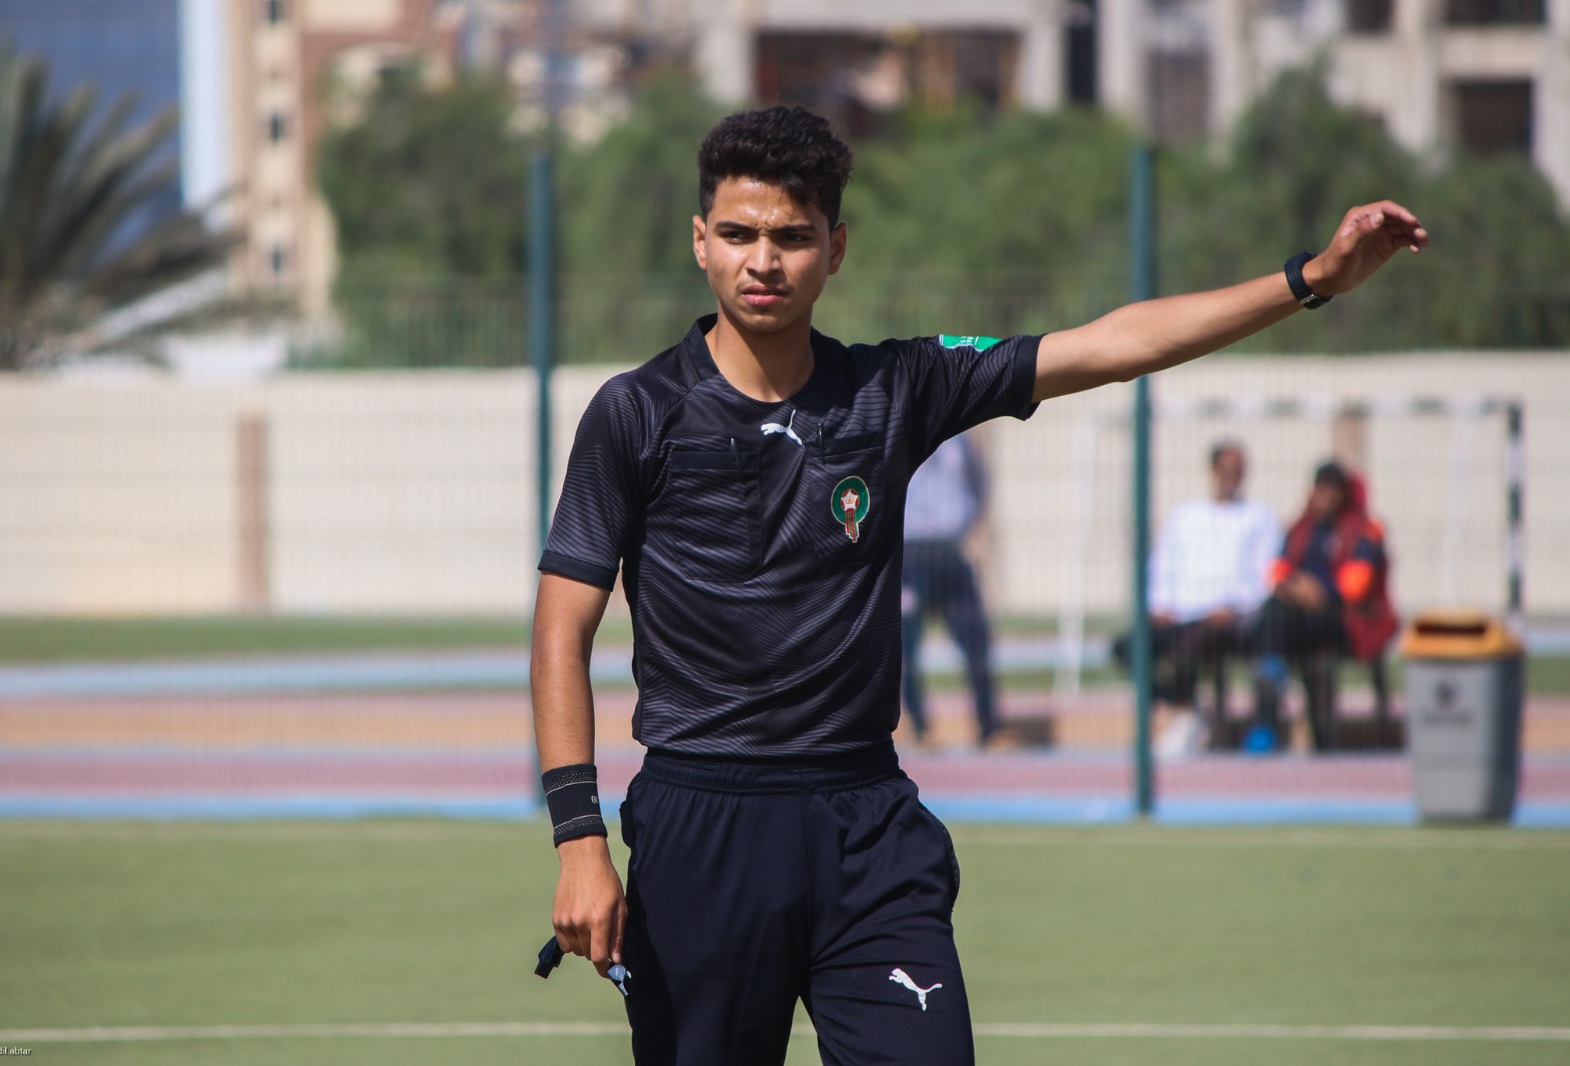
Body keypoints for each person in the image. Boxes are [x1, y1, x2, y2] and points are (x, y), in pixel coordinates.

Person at [532, 104, 1426, 1065]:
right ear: (701, 242)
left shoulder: (894, 388)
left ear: (836, 249)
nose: (764, 261)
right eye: (740, 234)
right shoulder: (635, 414)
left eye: (792, 236)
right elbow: (559, 634)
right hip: (702, 823)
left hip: (865, 824)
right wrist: (580, 843)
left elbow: (1112, 344)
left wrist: (1311, 280)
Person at [1111, 440, 1281, 755]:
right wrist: (1158, 605)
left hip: (1226, 620)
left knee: (1189, 647)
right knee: (1127, 647)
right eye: (1225, 469)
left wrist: (1235, 607)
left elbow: (1265, 576)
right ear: (1213, 471)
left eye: (1238, 470)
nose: (1231, 477)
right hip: (1179, 614)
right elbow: (1162, 565)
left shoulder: (1260, 518)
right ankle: (1184, 707)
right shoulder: (1185, 515)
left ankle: (1188, 718)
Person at [1249, 459, 1397, 752]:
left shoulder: (1365, 530)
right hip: (1298, 617)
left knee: (1280, 619)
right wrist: (1297, 588)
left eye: (1332, 491)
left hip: (1345, 620)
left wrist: (1317, 592)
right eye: (1321, 489)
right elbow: (1278, 572)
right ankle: (1269, 700)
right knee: (1273, 610)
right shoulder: (1300, 529)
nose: (1325, 498)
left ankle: (1271, 698)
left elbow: (1355, 586)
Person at [898, 431, 1008, 750]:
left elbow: (980, 480)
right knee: (905, 648)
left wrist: (976, 527)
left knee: (976, 641)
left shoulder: (960, 437)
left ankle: (988, 728)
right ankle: (919, 728)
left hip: (951, 550)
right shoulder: (897, 428)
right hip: (910, 551)